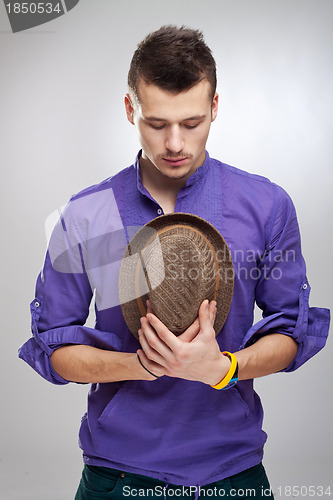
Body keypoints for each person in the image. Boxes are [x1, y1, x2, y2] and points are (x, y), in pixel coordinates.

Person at [19, 25, 330, 499]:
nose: (175, 144)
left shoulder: (266, 205)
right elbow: (53, 348)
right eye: (157, 123)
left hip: (232, 470)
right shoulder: (87, 213)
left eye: (192, 122)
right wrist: (140, 365)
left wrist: (222, 368)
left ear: (215, 108)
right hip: (118, 474)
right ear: (131, 109)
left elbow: (291, 331)